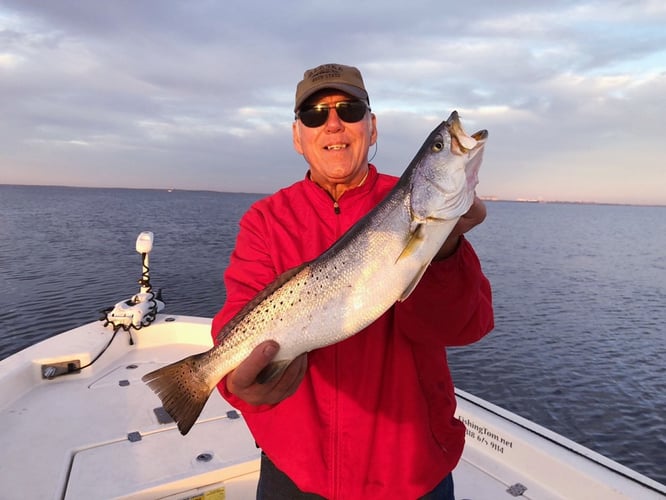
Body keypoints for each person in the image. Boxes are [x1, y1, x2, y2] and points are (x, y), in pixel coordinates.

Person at [211, 63, 494, 499]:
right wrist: (239, 384)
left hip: (411, 471)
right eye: (314, 115)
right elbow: (236, 323)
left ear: (372, 126)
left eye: (349, 108)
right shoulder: (266, 221)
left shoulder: (408, 209)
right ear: (297, 136)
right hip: (295, 473)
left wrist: (446, 249)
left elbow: (464, 326)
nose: (333, 124)